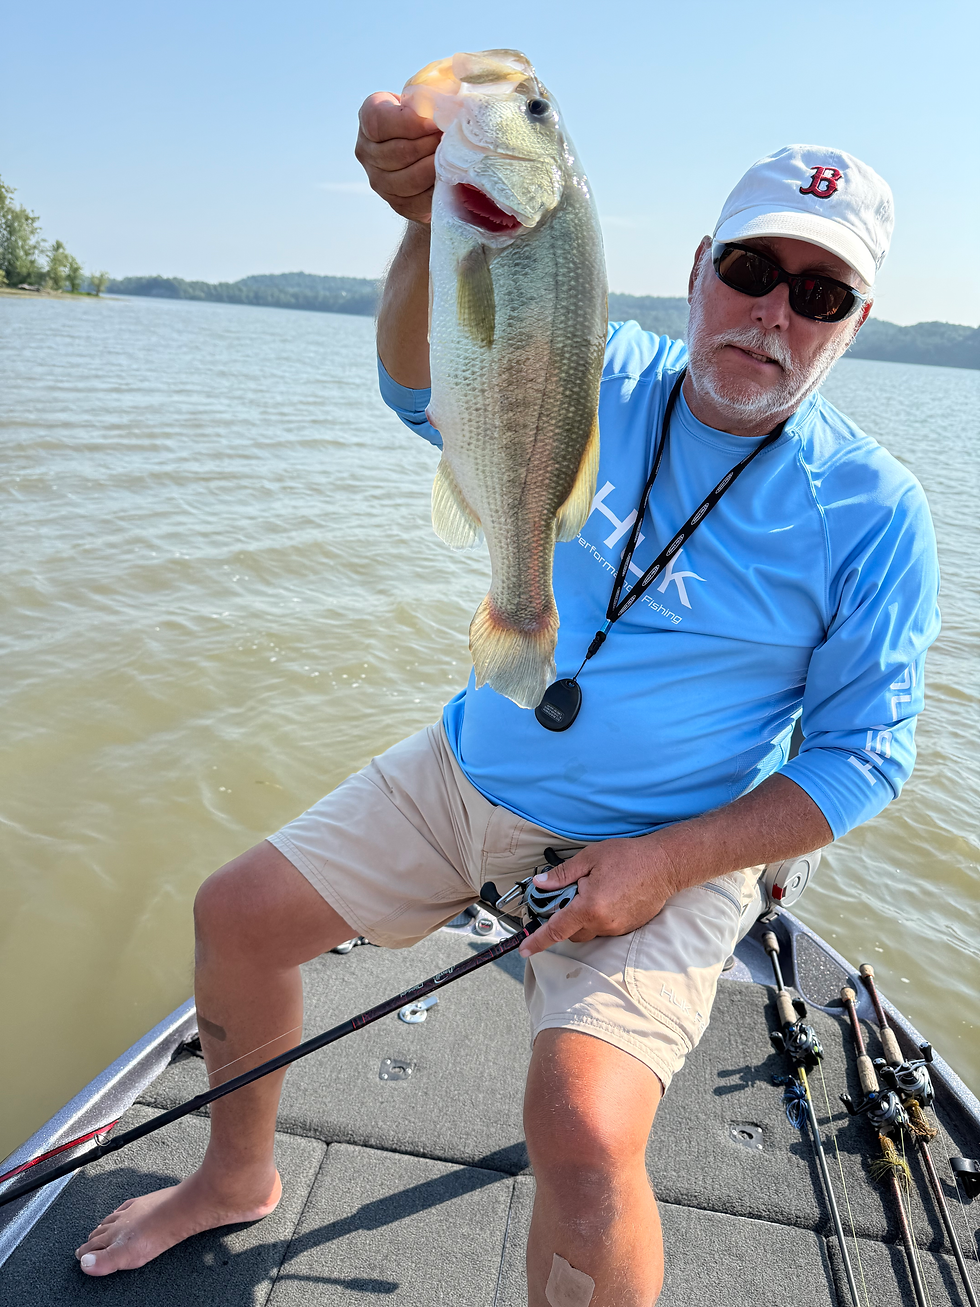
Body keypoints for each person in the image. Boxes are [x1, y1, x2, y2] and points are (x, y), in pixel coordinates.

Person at [74, 92, 940, 1307]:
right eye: (749, 266)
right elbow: (417, 385)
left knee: (581, 1131)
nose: (771, 311)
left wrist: (663, 861)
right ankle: (232, 1176)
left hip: (666, 841)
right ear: (697, 269)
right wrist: (430, 226)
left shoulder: (874, 509)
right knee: (239, 912)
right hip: (471, 766)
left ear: (849, 325)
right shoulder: (596, 368)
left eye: (819, 293)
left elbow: (861, 758)